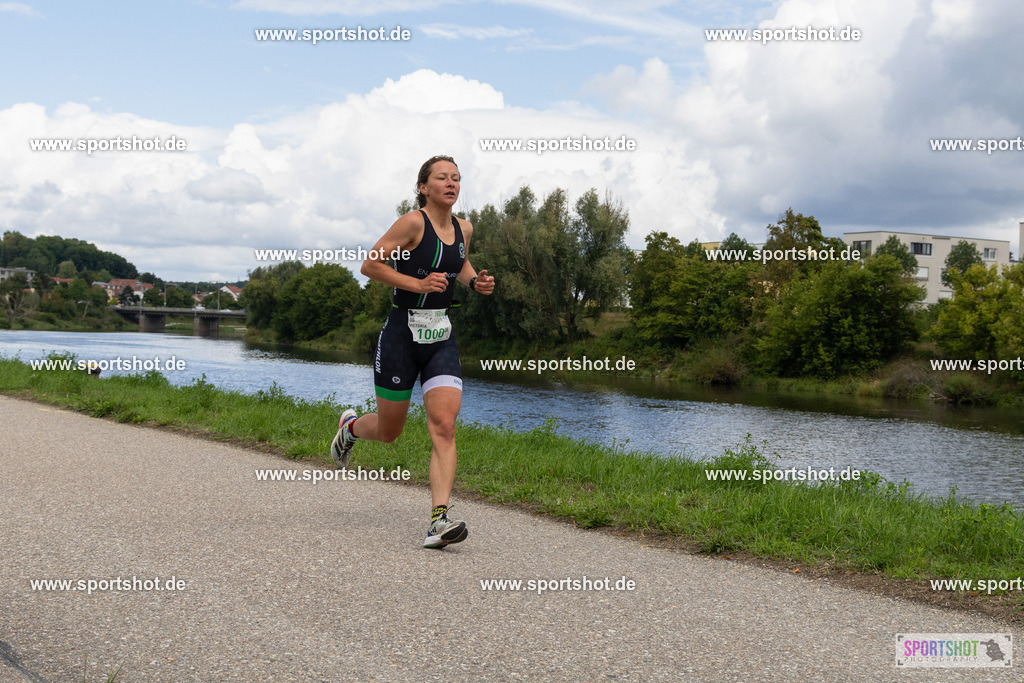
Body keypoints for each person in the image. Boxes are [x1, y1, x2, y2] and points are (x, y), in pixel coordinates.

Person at [330, 155, 495, 549]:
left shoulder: (465, 228)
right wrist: (416, 285)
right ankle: (350, 428)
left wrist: (475, 283)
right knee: (389, 432)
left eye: (456, 178)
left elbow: (461, 262)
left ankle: (439, 520)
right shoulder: (412, 223)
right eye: (442, 178)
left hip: (441, 337)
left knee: (444, 425)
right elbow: (370, 265)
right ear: (424, 186)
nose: (451, 184)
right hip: (401, 335)